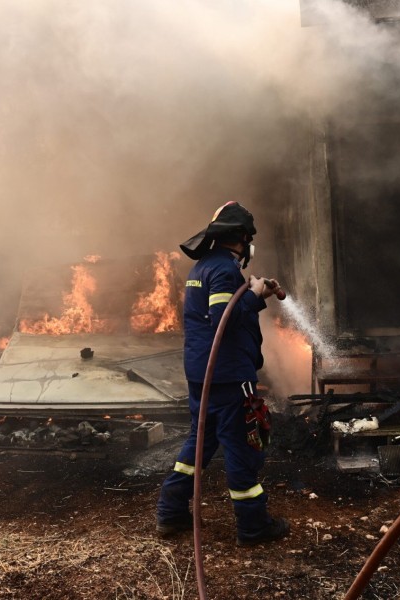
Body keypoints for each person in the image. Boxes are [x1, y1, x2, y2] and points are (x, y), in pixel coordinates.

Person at [156, 201, 290, 546]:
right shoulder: (225, 271)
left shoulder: (202, 268)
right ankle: (253, 525)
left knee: (198, 445)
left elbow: (218, 311)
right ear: (243, 238)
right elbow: (223, 321)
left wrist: (252, 290)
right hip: (229, 376)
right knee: (242, 449)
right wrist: (257, 295)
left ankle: (170, 514)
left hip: (202, 375)